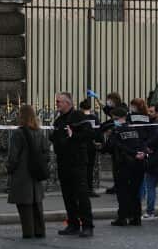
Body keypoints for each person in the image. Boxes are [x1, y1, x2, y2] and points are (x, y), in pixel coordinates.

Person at [50, 91, 95, 237]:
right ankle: (73, 224)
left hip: (77, 161)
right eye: (57, 101)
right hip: (63, 161)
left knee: (81, 195)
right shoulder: (59, 120)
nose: (56, 104)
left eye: (59, 101)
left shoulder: (78, 116)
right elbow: (56, 137)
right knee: (67, 195)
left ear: (67, 103)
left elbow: (89, 134)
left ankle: (87, 225)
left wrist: (73, 136)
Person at [6, 104, 49, 239]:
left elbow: (13, 156)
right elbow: (47, 153)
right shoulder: (39, 133)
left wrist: (9, 168)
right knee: (37, 203)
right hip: (36, 173)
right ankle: (40, 230)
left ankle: (28, 231)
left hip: (22, 173)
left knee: (25, 205)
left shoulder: (18, 133)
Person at [102, 104, 147, 226]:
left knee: (122, 192)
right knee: (134, 192)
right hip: (138, 163)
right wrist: (141, 153)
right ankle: (136, 217)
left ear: (116, 117)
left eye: (113, 118)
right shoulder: (135, 128)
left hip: (123, 164)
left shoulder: (116, 131)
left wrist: (105, 140)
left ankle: (123, 217)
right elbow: (143, 143)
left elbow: (111, 147)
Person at [99, 93, 124, 195]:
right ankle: (117, 185)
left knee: (119, 167)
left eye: (109, 100)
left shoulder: (121, 109)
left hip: (120, 144)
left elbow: (114, 122)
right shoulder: (113, 109)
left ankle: (119, 186)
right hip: (115, 145)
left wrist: (107, 127)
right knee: (116, 166)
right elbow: (105, 109)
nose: (108, 102)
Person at [78, 97, 101, 198]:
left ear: (81, 108)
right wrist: (99, 142)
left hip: (81, 145)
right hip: (92, 145)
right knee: (90, 168)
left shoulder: (79, 118)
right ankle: (89, 189)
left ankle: (81, 189)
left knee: (81, 168)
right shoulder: (94, 118)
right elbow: (98, 132)